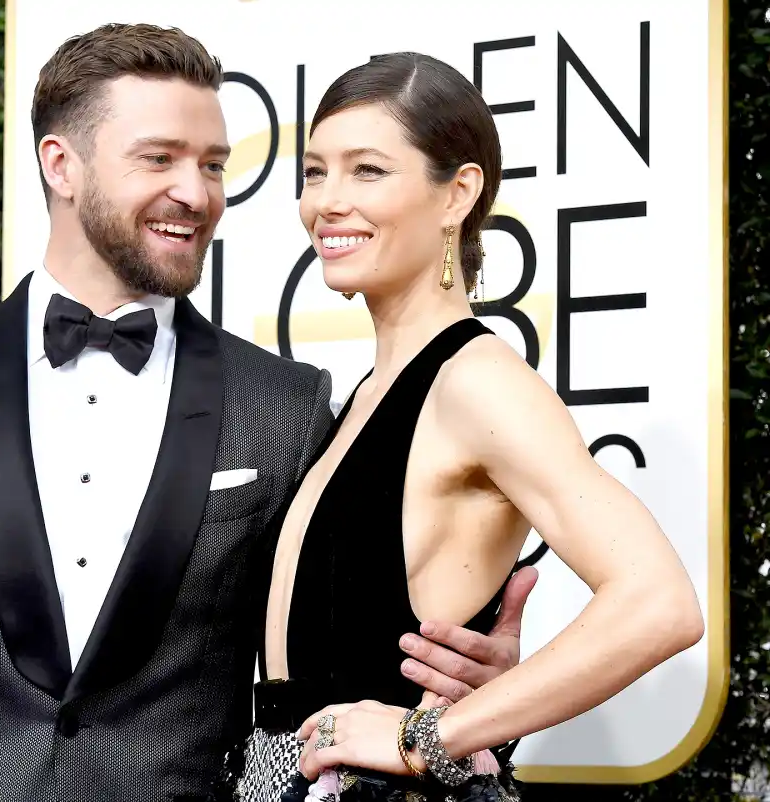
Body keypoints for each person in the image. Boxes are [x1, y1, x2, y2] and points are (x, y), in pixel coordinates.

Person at [0, 25, 532, 802]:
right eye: (159, 158)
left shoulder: (287, 404)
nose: (197, 193)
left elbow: (323, 646)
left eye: (212, 165)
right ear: (61, 164)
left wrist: (476, 694)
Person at [230, 52, 705, 802]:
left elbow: (658, 604)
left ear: (458, 194)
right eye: (315, 171)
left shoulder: (477, 384)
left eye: (367, 171)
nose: (327, 201)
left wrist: (429, 738)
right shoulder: (366, 394)